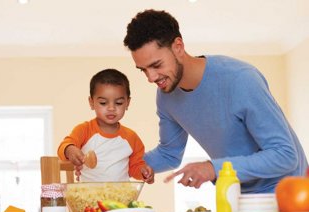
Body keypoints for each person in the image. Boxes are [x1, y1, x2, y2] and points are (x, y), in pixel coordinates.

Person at [123, 9, 307, 193]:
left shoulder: (241, 79)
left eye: (156, 65)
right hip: (238, 195)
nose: (151, 77)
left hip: (288, 193)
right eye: (143, 70)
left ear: (178, 46)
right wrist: (120, 163)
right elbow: (169, 154)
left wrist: (213, 168)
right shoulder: (166, 96)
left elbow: (285, 155)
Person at [57, 68, 154, 183]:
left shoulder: (131, 137)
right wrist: (70, 149)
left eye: (118, 103)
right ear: (91, 102)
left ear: (127, 103)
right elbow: (64, 145)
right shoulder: (84, 130)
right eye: (103, 103)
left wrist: (144, 172)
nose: (111, 108)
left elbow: (135, 167)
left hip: (121, 198)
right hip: (89, 197)